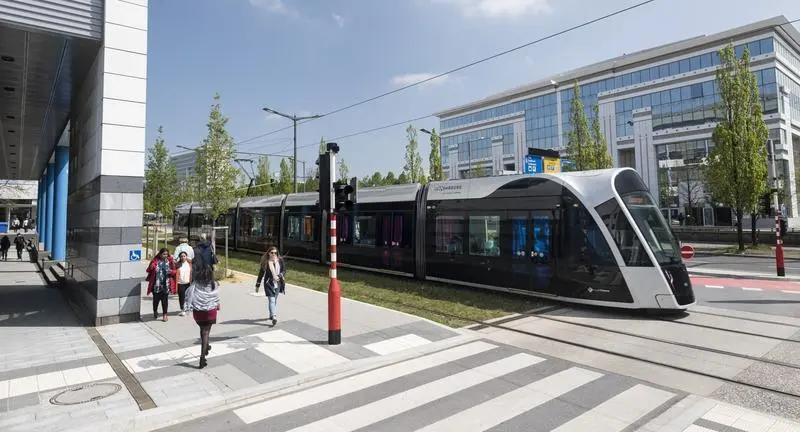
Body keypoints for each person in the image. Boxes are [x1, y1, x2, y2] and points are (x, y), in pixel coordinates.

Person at [182, 257, 220, 369]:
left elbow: (189, 295)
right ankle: (202, 357)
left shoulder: (195, 284)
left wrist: (187, 307)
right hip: (210, 312)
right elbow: (216, 297)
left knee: (203, 330)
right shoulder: (214, 284)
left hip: (198, 313)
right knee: (206, 332)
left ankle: (206, 346)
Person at [255, 246, 286, 326]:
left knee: (274, 300)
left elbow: (284, 270)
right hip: (268, 284)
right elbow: (261, 274)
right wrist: (257, 285)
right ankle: (274, 317)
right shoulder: (266, 262)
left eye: (275, 253)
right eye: (272, 253)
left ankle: (271, 314)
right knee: (271, 300)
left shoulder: (280, 260)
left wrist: (280, 275)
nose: (274, 254)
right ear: (268, 253)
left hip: (278, 283)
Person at [146, 248, 177, 321]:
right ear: (160, 254)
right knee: (156, 300)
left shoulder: (170, 261)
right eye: (163, 254)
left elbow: (175, 271)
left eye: (166, 254)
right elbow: (148, 270)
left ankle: (165, 315)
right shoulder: (155, 261)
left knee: (164, 301)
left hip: (166, 285)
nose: (165, 255)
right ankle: (155, 311)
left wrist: (171, 271)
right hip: (156, 285)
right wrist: (152, 267)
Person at [176, 251, 192, 316]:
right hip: (180, 283)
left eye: (184, 256)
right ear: (180, 257)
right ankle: (182, 309)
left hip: (188, 283)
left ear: (186, 256)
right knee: (182, 297)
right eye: (181, 256)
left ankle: (187, 309)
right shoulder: (177, 264)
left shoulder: (189, 264)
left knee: (188, 297)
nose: (183, 257)